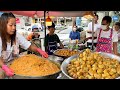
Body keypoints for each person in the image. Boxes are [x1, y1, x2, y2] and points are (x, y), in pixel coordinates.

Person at [0, 12, 48, 77]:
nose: (14, 28)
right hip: (2, 67)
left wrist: (38, 50)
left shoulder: (16, 35)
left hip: (15, 65)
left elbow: (29, 46)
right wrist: (5, 67)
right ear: (3, 25)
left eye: (15, 25)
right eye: (11, 25)